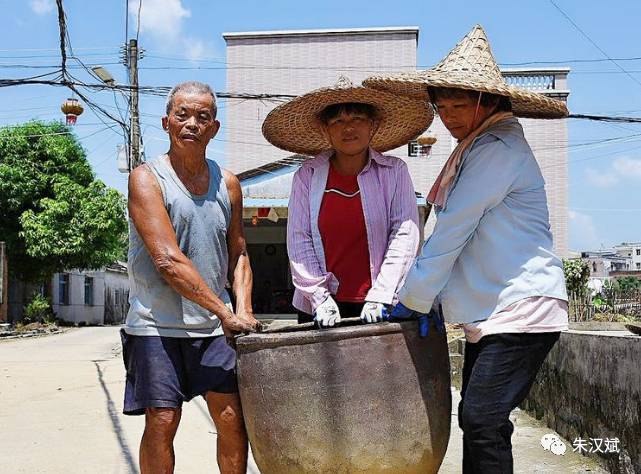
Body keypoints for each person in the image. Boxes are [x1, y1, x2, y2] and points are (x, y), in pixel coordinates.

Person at [365, 26, 570, 473]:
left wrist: (412, 300)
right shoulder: (474, 147)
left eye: (459, 105)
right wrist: (429, 298)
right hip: (495, 310)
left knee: (482, 417)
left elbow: (453, 228)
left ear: (490, 102)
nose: (449, 116)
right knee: (479, 420)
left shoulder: (498, 148)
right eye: (441, 106)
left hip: (523, 306)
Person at [123, 81, 259, 474]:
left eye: (203, 117)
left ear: (214, 128)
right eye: (182, 115)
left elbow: (240, 252)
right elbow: (167, 259)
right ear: (166, 122)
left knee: (233, 418)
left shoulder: (228, 183)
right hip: (155, 325)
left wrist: (244, 309)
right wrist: (225, 311)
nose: (192, 124)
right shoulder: (146, 179)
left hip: (214, 329)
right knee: (162, 420)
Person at [262, 77, 433, 327]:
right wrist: (319, 298)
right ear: (326, 130)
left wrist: (381, 295)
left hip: (378, 304)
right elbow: (299, 238)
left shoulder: (394, 171)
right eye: (338, 121)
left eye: (357, 119)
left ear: (372, 125)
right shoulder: (307, 176)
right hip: (319, 307)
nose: (348, 128)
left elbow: (404, 234)